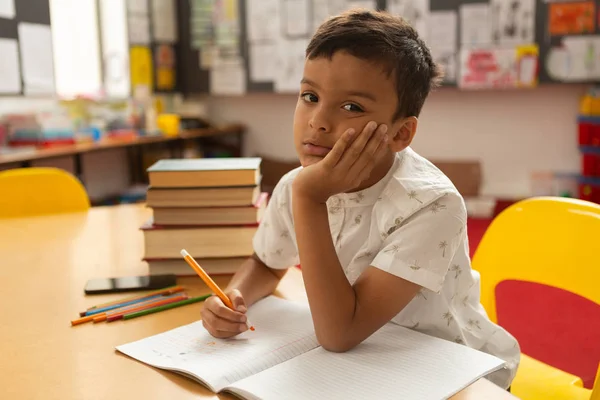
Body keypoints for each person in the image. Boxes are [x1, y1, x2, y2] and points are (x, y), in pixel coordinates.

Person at [200, 9, 520, 390]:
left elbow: (340, 333)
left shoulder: (431, 204)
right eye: (310, 96)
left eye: (351, 107)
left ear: (401, 134)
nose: (318, 121)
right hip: (364, 364)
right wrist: (233, 297)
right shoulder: (297, 186)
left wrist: (309, 200)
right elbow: (267, 265)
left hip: (451, 371)